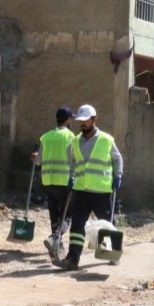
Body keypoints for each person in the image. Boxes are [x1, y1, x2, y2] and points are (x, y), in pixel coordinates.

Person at [53, 104, 124, 271]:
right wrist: (71, 177)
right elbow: (73, 162)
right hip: (81, 191)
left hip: (101, 191)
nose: (82, 124)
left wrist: (118, 175)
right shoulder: (75, 141)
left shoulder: (106, 140)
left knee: (106, 224)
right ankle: (72, 259)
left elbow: (117, 158)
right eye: (80, 122)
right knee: (77, 226)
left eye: (86, 121)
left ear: (94, 120)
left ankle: (113, 254)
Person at [31, 106, 76, 259]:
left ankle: (56, 246)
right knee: (67, 215)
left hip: (48, 181)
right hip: (64, 182)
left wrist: (34, 156)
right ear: (69, 120)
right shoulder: (71, 137)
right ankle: (55, 238)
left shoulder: (46, 137)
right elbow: (73, 160)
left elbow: (38, 161)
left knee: (54, 213)